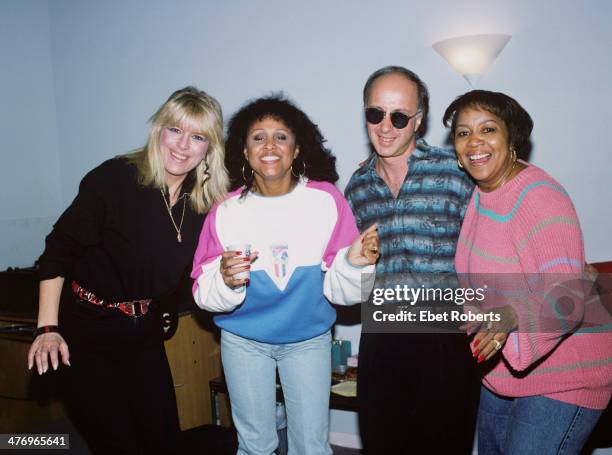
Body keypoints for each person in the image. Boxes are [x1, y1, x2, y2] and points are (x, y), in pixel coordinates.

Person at [27, 86, 229, 454]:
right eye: (175, 130)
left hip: (143, 332)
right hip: (89, 330)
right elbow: (58, 251)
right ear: (158, 130)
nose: (183, 146)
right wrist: (48, 328)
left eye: (197, 136)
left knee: (163, 441)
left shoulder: (204, 201)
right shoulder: (116, 178)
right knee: (118, 444)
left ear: (209, 148)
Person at [191, 95, 379, 455]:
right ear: (244, 152)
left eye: (281, 136)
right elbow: (202, 288)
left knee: (310, 446)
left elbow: (342, 292)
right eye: (258, 137)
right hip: (243, 341)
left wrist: (355, 263)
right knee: (254, 445)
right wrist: (226, 281)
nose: (270, 146)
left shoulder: (325, 201)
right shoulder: (225, 210)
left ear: (297, 149)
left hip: (308, 340)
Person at [444, 89, 612, 454]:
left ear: (512, 138)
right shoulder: (483, 192)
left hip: (565, 377)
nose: (474, 141)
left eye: (488, 129)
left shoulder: (539, 197)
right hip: (504, 373)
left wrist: (510, 315)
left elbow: (568, 296)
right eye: (463, 133)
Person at [344, 66, 479, 454]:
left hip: (446, 341)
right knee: (382, 441)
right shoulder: (358, 186)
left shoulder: (457, 171)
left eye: (399, 116)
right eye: (375, 114)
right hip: (382, 339)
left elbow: (494, 241)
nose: (385, 127)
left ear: (418, 121)